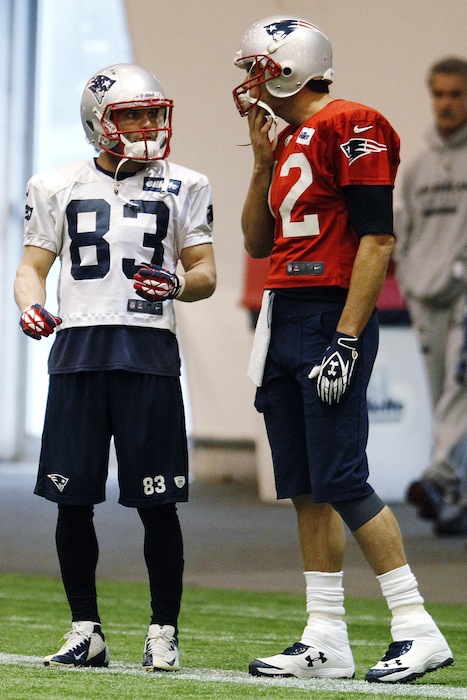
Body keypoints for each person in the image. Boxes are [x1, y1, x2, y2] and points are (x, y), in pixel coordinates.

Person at [232, 16, 453, 684]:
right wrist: (260, 164)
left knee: (342, 479)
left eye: (258, 67)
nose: (250, 80)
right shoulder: (290, 136)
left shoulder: (351, 123)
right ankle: (324, 635)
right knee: (303, 486)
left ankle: (417, 628)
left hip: (329, 314)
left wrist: (347, 339)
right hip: (284, 312)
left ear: (291, 66)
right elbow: (254, 242)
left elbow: (376, 240)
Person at [14, 63, 216, 671]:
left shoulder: (188, 183)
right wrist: (30, 305)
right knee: (71, 500)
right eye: (134, 114)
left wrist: (177, 283)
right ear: (98, 121)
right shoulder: (54, 184)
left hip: (148, 351)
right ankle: (86, 629)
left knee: (158, 502)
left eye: (155, 112)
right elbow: (31, 267)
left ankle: (163, 630)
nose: (150, 124)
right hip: (77, 351)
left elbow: (206, 274)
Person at [395, 57, 467, 537]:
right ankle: (455, 499)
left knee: (460, 389)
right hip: (427, 298)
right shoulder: (417, 167)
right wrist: (410, 282)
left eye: (456, 94)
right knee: (445, 393)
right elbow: (404, 233)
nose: (446, 103)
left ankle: (439, 476)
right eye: (439, 94)